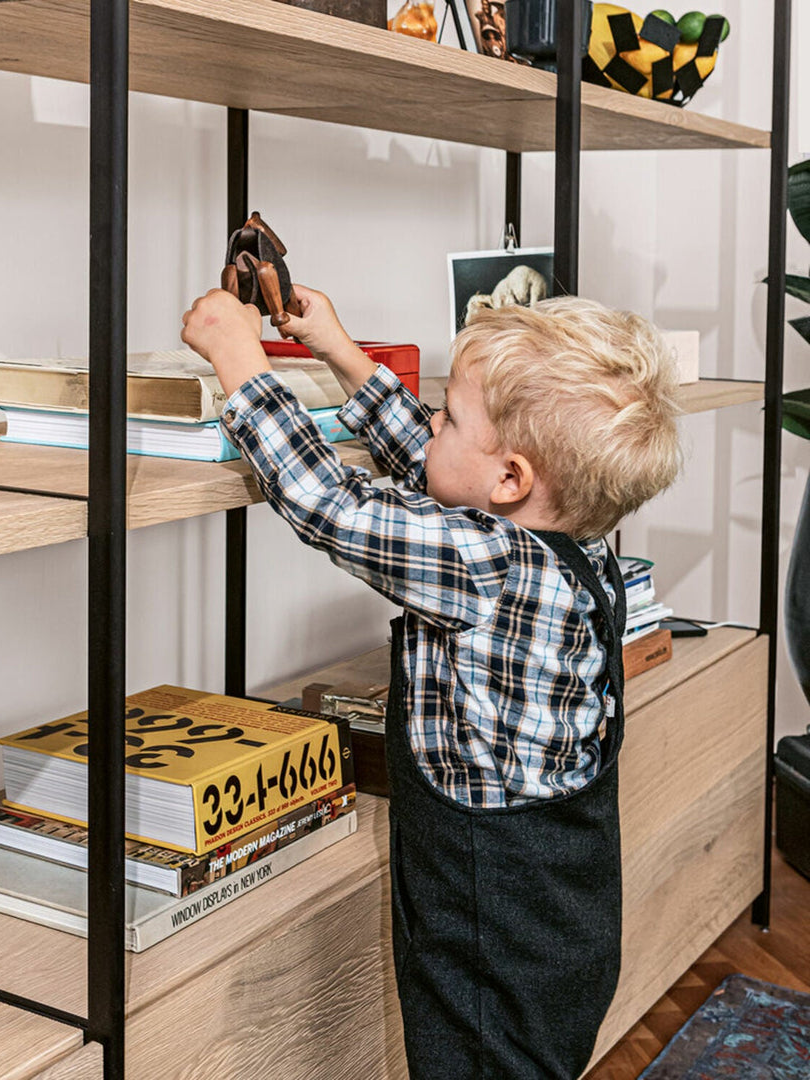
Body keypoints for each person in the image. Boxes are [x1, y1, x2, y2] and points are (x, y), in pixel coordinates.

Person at [180, 283, 682, 1079]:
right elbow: (445, 466)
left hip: (492, 925)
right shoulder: (572, 537)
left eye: (447, 412)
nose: (434, 424)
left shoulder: (487, 565)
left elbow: (327, 504)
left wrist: (239, 358)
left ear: (514, 477)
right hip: (562, 915)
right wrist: (341, 353)